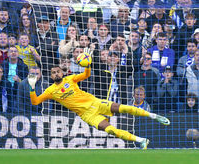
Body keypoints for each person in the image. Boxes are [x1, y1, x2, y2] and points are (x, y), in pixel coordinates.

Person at [27, 48, 170, 149]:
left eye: (58, 71)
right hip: (87, 114)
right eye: (53, 73)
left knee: (123, 108)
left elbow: (86, 75)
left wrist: (88, 65)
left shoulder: (70, 79)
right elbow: (35, 102)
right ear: (51, 76)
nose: (56, 74)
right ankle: (141, 140)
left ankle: (154, 115)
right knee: (111, 130)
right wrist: (32, 88)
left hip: (95, 102)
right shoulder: (50, 91)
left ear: (61, 72)